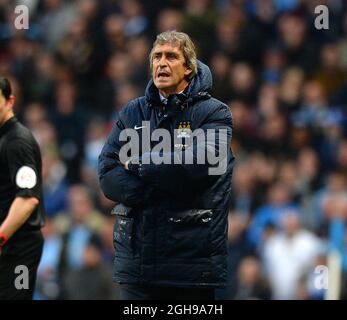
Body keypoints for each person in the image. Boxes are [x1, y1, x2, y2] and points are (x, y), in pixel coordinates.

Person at [98, 31, 235, 300]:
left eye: (171, 56)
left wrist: (138, 164)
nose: (162, 63)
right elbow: (107, 174)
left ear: (188, 68)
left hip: (190, 268)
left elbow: (202, 162)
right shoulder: (131, 113)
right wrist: (156, 189)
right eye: (157, 57)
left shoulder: (214, 113)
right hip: (137, 267)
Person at [0, 77, 45, 300]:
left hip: (19, 249)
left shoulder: (17, 141)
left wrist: (0, 237)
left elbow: (27, 199)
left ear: (10, 101)